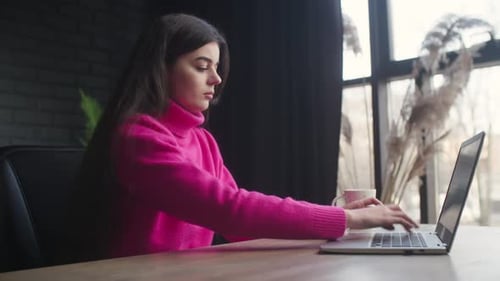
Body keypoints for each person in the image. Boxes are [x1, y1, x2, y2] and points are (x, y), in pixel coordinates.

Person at [66, 13, 417, 261]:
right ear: (161, 69)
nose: (216, 79)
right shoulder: (138, 139)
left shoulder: (202, 142)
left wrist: (333, 214)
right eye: (202, 67)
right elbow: (231, 211)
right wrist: (348, 220)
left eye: (217, 68)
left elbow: (240, 226)